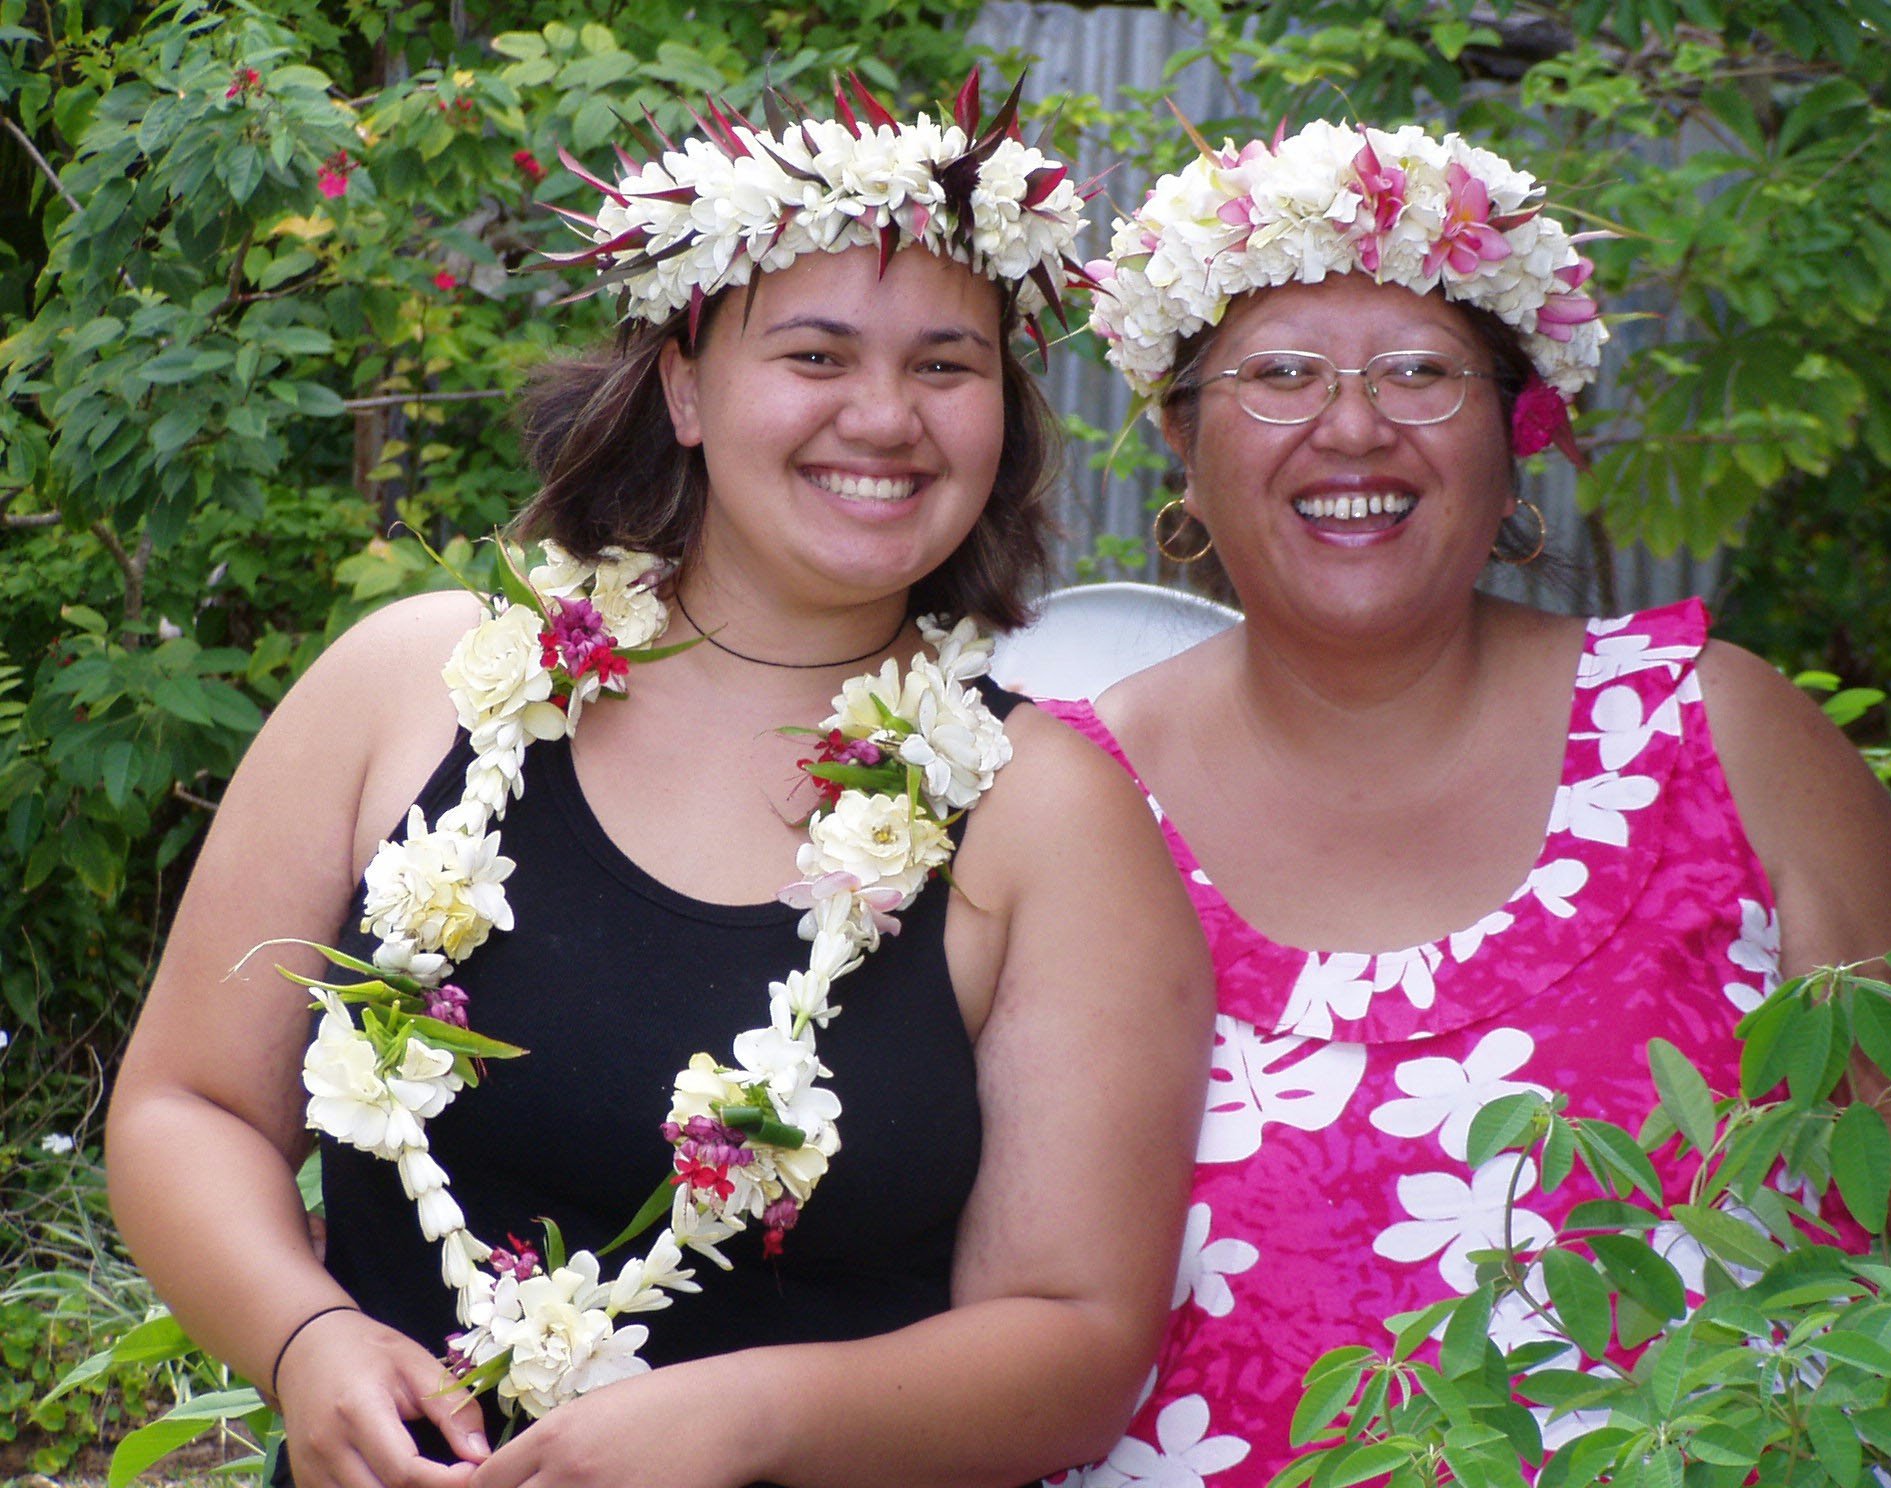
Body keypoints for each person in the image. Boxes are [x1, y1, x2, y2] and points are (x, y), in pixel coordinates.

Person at [107, 80, 1212, 1488]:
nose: (886, 416)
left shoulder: (1050, 817)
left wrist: (754, 1419)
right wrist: (305, 1335)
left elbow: (1074, 1342)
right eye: (814, 355)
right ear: (683, 386)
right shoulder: (414, 686)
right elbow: (185, 1107)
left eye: (948, 366)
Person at [1044, 120, 1891, 1487]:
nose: (1352, 424)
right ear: (1179, 436)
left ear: (1516, 428)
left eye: (1422, 372)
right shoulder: (1063, 798)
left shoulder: (1711, 730)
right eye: (1283, 373)